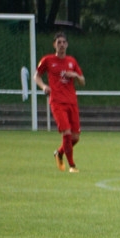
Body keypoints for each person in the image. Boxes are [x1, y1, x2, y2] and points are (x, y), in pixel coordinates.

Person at [34, 31, 85, 173]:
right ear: (54, 45)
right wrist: (44, 86)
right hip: (57, 102)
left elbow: (82, 81)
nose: (61, 45)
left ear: (67, 45)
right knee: (67, 133)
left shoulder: (72, 61)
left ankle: (59, 153)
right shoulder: (48, 60)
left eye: (63, 42)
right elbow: (36, 76)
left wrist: (74, 75)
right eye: (59, 42)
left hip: (72, 102)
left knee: (75, 137)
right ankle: (72, 166)